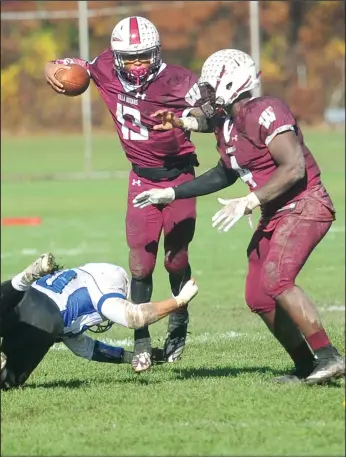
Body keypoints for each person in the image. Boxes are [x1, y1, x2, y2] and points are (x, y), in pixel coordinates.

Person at [133, 49, 345, 385]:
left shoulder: (266, 109)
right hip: (277, 210)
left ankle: (329, 357)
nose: (206, 94)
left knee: (277, 281)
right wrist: (171, 193)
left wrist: (250, 200)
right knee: (259, 295)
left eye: (211, 87)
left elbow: (294, 168)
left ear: (232, 84)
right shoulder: (228, 123)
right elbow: (223, 172)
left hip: (306, 204)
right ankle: (306, 365)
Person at [44, 16, 206, 373]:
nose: (135, 64)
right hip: (141, 180)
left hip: (179, 179)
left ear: (156, 52)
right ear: (116, 56)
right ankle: (142, 341)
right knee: (141, 264)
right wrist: (53, 71)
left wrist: (192, 118)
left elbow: (211, 109)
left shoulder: (179, 79)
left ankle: (179, 319)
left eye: (143, 56)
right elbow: (63, 65)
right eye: (129, 58)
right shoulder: (103, 67)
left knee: (176, 258)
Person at [0, 253, 198, 389]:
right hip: (44, 320)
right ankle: (23, 280)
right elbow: (136, 316)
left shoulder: (73, 278)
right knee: (6, 381)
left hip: (20, 298)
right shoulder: (101, 291)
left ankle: (23, 280)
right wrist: (179, 300)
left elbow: (85, 348)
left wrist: (130, 357)